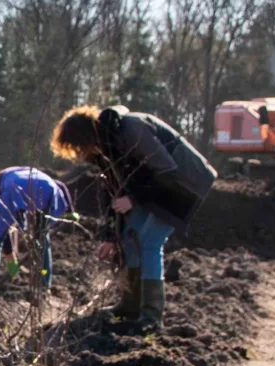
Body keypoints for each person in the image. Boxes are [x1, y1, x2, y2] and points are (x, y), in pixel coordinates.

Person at [50, 105, 217, 331]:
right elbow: (113, 192)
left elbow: (166, 170)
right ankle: (130, 306)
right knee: (129, 236)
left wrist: (134, 199)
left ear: (88, 136)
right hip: (152, 189)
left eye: (79, 147)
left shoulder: (133, 130)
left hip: (184, 183)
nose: (80, 154)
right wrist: (109, 235)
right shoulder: (105, 148)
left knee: (150, 242)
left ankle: (151, 316)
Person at [0, 166, 72, 291]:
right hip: (47, 188)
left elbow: (1, 229)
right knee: (41, 238)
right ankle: (44, 284)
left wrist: (10, 259)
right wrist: (70, 211)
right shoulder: (24, 172)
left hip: (14, 189)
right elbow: (59, 185)